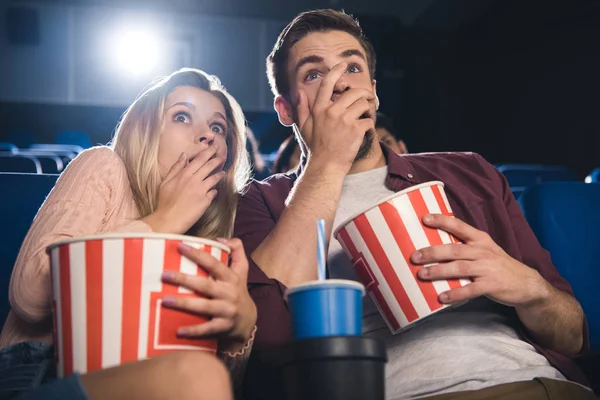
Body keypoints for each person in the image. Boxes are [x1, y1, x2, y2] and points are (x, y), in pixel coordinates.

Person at [234, 9, 596, 400]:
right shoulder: (260, 203)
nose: (339, 84)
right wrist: (328, 160)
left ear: (373, 91)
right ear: (285, 109)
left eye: (351, 68)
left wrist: (526, 286)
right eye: (314, 74)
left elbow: (574, 336)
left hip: (545, 385)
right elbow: (263, 341)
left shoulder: (469, 173)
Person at [0, 68, 256, 399]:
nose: (207, 135)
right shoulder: (103, 166)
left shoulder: (212, 240)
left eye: (218, 127)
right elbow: (31, 295)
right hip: (37, 375)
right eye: (181, 116)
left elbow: (217, 387)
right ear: (144, 130)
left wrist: (241, 329)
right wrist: (166, 219)